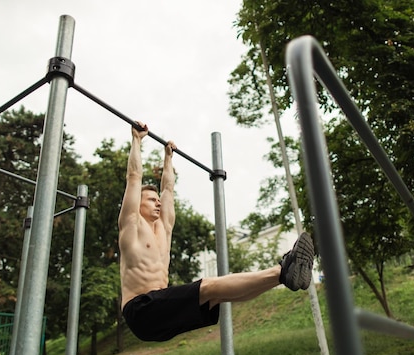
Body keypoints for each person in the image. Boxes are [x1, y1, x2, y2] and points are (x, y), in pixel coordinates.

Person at [119, 121, 315, 342]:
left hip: (158, 312)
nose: (157, 203)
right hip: (141, 310)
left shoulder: (163, 229)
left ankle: (283, 277)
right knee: (209, 285)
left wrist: (168, 158)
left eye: (157, 200)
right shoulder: (131, 224)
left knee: (216, 295)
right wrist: (136, 140)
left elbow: (168, 190)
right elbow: (134, 178)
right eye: (151, 200)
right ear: (137, 205)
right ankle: (282, 270)